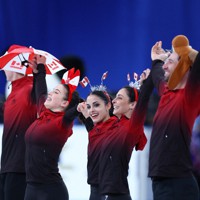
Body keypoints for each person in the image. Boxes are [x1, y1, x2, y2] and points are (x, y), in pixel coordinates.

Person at [77, 68, 153, 200]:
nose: (114, 101)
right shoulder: (112, 126)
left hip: (115, 194)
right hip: (96, 193)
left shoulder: (131, 127)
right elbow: (95, 134)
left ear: (132, 105)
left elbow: (142, 104)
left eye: (119, 97)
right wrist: (85, 115)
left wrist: (147, 84)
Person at [149, 35, 200, 200]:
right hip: (161, 182)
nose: (165, 66)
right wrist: (157, 60)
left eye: (170, 61)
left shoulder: (190, 96)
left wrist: (184, 50)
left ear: (184, 65)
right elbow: (157, 75)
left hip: (177, 184)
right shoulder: (166, 92)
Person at [24, 55, 81, 200]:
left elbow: (70, 114)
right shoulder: (43, 111)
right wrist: (39, 70)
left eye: (56, 92)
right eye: (53, 90)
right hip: (30, 188)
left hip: (50, 191)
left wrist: (79, 108)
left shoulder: (62, 122)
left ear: (64, 104)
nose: (50, 93)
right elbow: (41, 90)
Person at [0, 67, 37, 199]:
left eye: (5, 67)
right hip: (7, 166)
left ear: (14, 67)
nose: (3, 70)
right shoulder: (13, 93)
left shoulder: (30, 89)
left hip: (20, 168)